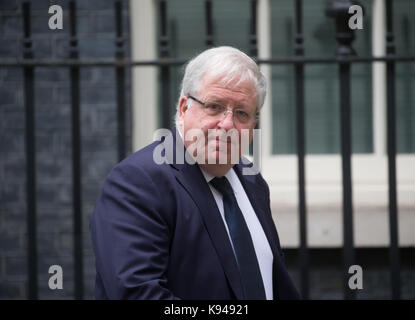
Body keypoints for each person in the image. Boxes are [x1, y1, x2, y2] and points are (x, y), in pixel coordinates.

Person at [90, 46, 300, 300]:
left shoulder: (251, 180)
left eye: (241, 113)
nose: (227, 124)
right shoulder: (138, 182)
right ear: (183, 108)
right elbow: (136, 294)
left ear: (253, 124)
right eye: (214, 106)